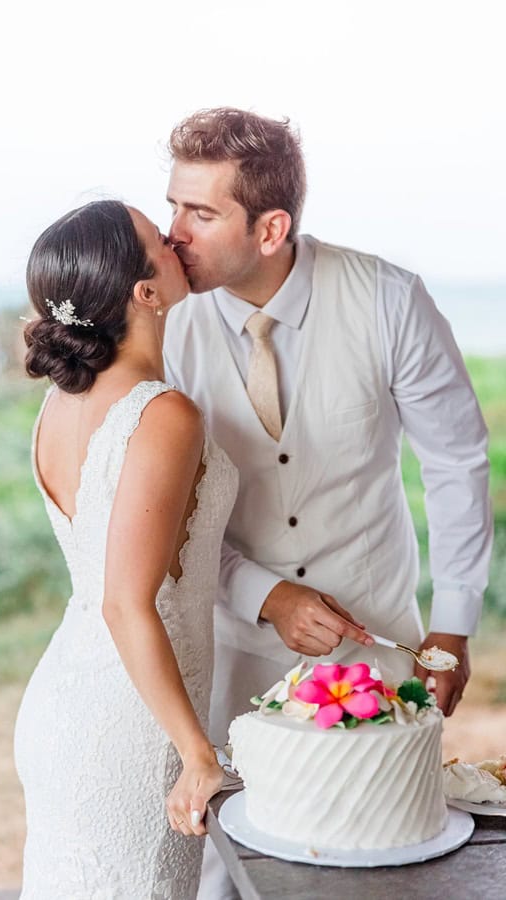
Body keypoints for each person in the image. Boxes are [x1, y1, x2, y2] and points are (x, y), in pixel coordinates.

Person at [162, 107, 493, 898]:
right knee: (224, 871)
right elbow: (165, 510)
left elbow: (456, 461)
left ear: (270, 228)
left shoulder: (388, 298)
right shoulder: (166, 323)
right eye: (173, 204)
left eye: (200, 213)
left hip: (375, 641)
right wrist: (263, 594)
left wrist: (453, 625)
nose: (173, 232)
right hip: (225, 649)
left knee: (381, 866)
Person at [13, 199, 249, 899]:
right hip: (130, 726)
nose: (180, 238)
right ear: (146, 293)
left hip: (66, 705)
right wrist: (196, 751)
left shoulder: (61, 403)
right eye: (162, 239)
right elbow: (125, 602)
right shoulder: (162, 413)